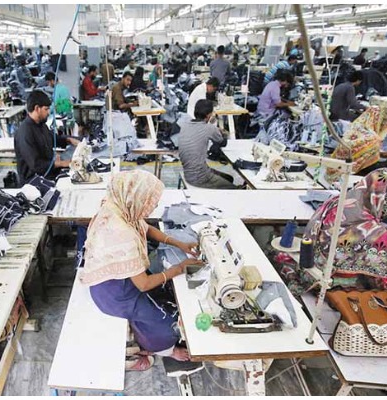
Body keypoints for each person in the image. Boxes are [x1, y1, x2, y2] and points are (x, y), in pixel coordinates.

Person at [80, 170, 203, 371]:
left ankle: (140, 330)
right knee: (167, 323)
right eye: (151, 201)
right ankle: (165, 350)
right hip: (115, 296)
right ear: (135, 195)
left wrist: (178, 243)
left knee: (164, 290)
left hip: (114, 280)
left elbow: (146, 228)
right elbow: (144, 284)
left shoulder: (118, 206)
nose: (153, 206)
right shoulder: (121, 233)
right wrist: (179, 268)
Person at [281, 168, 387, 295]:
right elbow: (386, 282)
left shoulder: (336, 202)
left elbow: (349, 232)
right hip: (331, 290)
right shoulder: (376, 233)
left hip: (307, 273)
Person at [13, 90, 80, 184]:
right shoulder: (25, 133)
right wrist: (60, 163)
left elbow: (52, 138)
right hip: (34, 182)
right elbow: (36, 165)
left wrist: (68, 140)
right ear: (37, 108)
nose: (49, 112)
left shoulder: (41, 125)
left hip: (47, 173)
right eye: (46, 109)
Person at [178, 100, 235, 189]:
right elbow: (222, 142)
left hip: (188, 173)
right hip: (200, 177)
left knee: (229, 178)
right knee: (234, 189)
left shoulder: (185, 126)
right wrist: (222, 132)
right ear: (209, 115)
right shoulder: (209, 128)